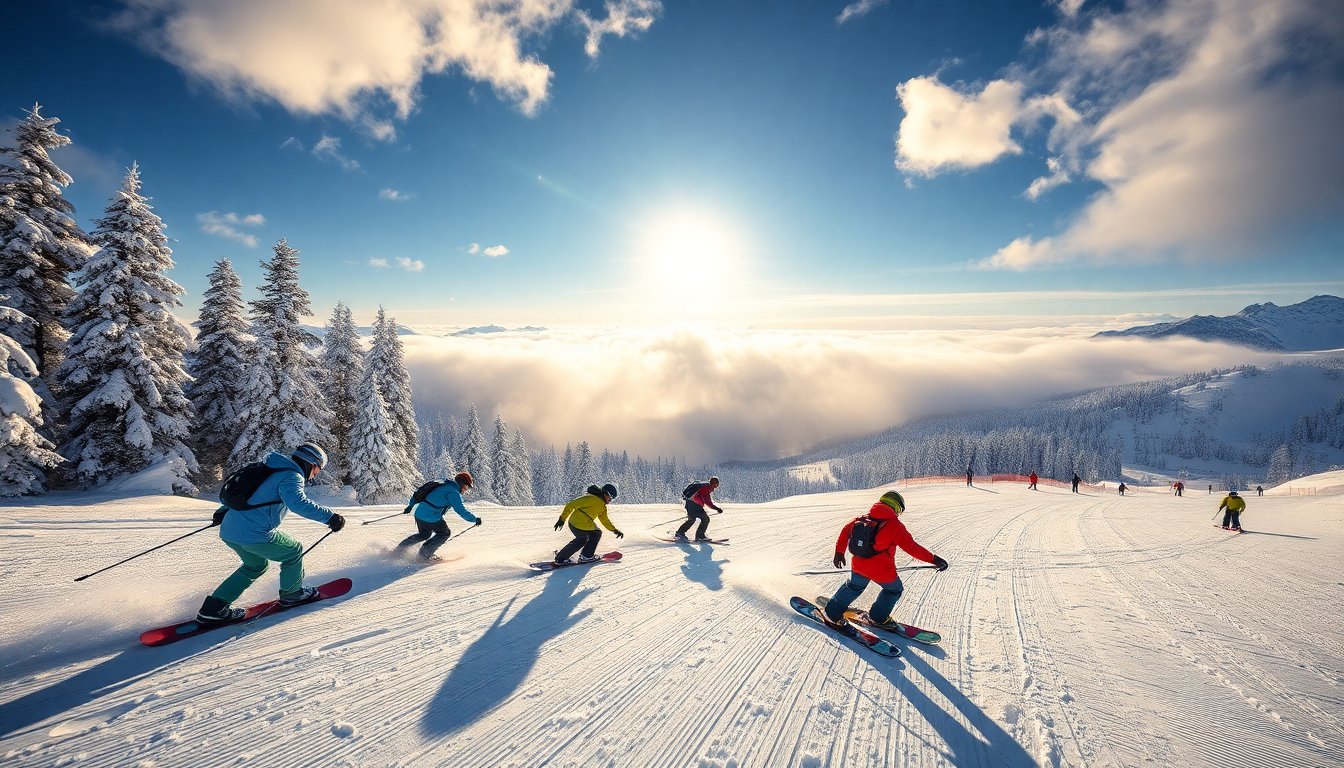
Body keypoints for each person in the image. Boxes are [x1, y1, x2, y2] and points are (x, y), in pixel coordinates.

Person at [197, 443, 345, 623]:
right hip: (254, 534)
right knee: (293, 551)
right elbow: (298, 503)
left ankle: (213, 608)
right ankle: (292, 594)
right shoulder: (292, 476)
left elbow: (244, 492)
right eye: (317, 470)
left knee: (255, 566)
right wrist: (331, 517)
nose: (314, 475)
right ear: (311, 464)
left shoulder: (269, 468)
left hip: (230, 531)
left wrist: (222, 512)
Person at [823, 490, 947, 628]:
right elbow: (913, 548)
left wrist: (839, 552)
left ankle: (832, 612)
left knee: (854, 586)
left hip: (858, 565)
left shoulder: (862, 519)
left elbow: (845, 530)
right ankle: (878, 617)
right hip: (882, 571)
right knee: (894, 590)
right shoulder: (895, 526)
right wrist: (935, 560)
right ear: (896, 507)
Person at [397, 471, 481, 561]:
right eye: (466, 486)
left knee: (424, 535)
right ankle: (424, 555)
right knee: (444, 533)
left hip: (419, 513)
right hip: (431, 516)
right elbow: (461, 510)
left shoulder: (445, 484)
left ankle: (399, 550)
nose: (466, 489)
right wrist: (474, 519)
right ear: (461, 484)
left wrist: (411, 505)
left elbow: (421, 492)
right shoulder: (453, 493)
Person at [553, 483, 624, 564]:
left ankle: (566, 555)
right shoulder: (591, 499)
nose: (610, 501)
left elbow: (605, 520)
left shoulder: (602, 506)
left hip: (579, 524)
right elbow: (571, 505)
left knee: (590, 535)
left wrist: (614, 530)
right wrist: (562, 519)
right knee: (586, 537)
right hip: (579, 524)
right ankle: (572, 557)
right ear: (606, 494)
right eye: (611, 498)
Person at [675, 476, 724, 541]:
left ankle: (695, 535)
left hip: (692, 503)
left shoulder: (705, 486)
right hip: (693, 504)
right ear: (714, 483)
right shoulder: (706, 488)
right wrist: (717, 509)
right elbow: (707, 502)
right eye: (717, 484)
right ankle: (684, 534)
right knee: (701, 519)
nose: (717, 486)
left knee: (697, 519)